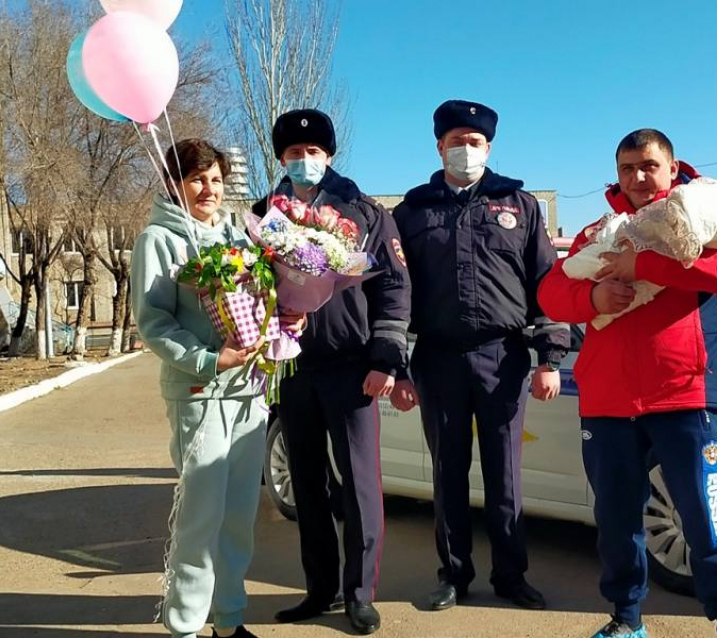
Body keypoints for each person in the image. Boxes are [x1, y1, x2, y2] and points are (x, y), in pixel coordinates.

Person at [537, 129, 717, 638]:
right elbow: (551, 293)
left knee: (705, 519)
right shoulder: (600, 232)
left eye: (648, 166)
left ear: (672, 169)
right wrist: (592, 300)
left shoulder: (705, 218)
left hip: (684, 395)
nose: (637, 177)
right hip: (607, 400)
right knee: (616, 521)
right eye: (627, 168)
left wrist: (642, 264)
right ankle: (626, 619)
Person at [390, 99, 569, 612]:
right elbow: (395, 292)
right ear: (438, 146)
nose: (465, 150)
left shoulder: (521, 205)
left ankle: (511, 574)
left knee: (504, 475)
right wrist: (397, 365)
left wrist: (549, 358)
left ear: (488, 147)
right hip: (439, 357)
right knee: (447, 472)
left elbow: (546, 287)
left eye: (474, 142)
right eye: (455, 141)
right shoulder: (413, 210)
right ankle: (454, 574)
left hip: (504, 357)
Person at [132, 139, 303, 638]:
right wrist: (208, 359)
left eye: (215, 179)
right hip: (199, 393)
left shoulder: (241, 236)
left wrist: (287, 320)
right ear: (174, 184)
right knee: (201, 517)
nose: (208, 189)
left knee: (238, 515)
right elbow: (154, 322)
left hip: (248, 392)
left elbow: (263, 300)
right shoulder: (158, 241)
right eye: (196, 179)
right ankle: (184, 624)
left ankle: (228, 620)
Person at [254, 109, 410, 636]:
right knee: (307, 484)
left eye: (314, 152)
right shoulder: (264, 214)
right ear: (281, 158)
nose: (305, 161)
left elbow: (393, 287)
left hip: (351, 368)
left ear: (330, 154)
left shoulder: (363, 211)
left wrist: (385, 358)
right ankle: (318, 589)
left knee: (361, 485)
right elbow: (251, 288)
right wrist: (273, 317)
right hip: (293, 368)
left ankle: (360, 593)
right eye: (294, 154)